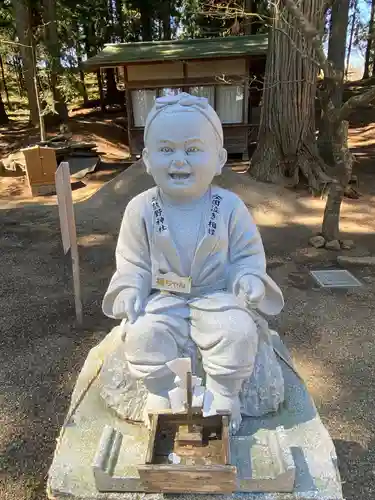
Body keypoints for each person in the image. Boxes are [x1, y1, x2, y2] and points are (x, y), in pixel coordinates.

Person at [102, 92, 284, 433]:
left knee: (238, 332)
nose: (179, 161)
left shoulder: (230, 207)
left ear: (218, 159)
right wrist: (129, 289)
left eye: (193, 149)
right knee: (142, 333)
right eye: (166, 150)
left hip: (216, 297)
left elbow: (246, 256)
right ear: (146, 160)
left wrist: (248, 279)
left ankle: (224, 394)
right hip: (163, 298)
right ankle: (159, 393)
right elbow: (133, 262)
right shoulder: (140, 209)